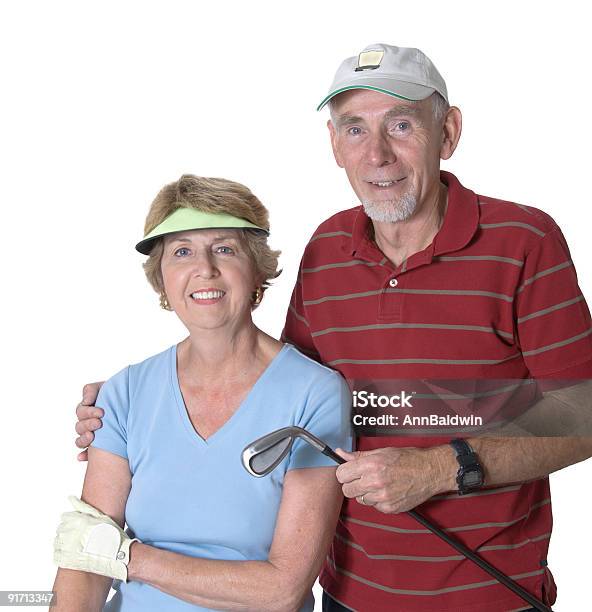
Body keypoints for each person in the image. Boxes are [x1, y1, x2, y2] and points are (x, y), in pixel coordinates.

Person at [75, 45, 592, 611]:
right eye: (354, 130)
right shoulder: (328, 249)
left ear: (447, 133)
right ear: (334, 145)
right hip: (349, 595)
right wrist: (126, 409)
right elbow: (280, 391)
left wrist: (442, 467)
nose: (378, 155)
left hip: (490, 594)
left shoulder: (523, 241)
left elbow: (582, 414)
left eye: (401, 125)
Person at [53, 175, 352, 611]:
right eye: (182, 252)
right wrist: (99, 558)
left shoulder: (315, 393)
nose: (205, 269)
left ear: (256, 269)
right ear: (162, 279)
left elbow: (282, 590)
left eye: (224, 249)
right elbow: (83, 565)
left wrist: (127, 557)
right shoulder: (124, 394)